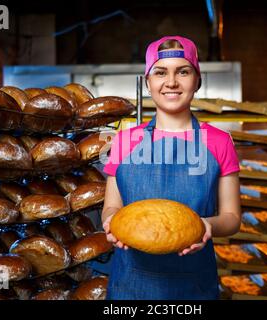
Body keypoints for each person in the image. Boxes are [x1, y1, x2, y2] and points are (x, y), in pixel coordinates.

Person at [101, 35, 241, 300]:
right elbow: (112, 206)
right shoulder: (124, 141)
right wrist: (111, 221)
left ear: (197, 80)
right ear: (148, 82)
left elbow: (232, 218)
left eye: (183, 71)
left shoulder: (219, 141)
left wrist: (207, 225)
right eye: (160, 72)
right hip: (130, 287)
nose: (172, 82)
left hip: (194, 288)